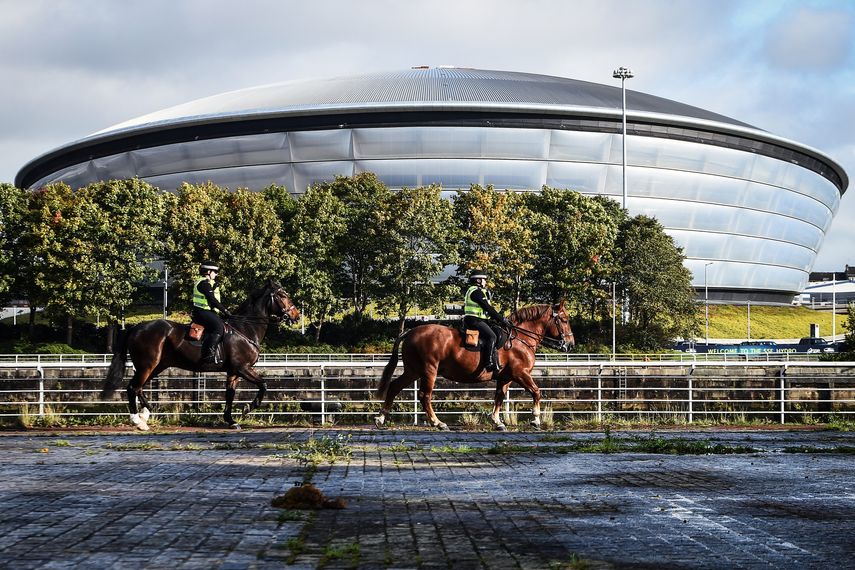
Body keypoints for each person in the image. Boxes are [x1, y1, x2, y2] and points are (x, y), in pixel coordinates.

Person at [463, 270, 510, 372]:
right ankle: (488, 362)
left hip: (480, 319)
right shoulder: (476, 292)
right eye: (484, 280)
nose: (485, 282)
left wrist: (497, 319)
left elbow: (488, 311)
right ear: (478, 280)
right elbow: (488, 308)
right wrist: (501, 319)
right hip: (474, 320)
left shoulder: (480, 291)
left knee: (497, 332)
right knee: (491, 336)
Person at [191, 260, 232, 365]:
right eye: (215, 272)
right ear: (208, 271)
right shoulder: (204, 284)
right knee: (219, 327)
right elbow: (213, 301)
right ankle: (208, 354)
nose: (216, 274)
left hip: (207, 312)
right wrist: (225, 311)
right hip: (201, 312)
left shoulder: (209, 283)